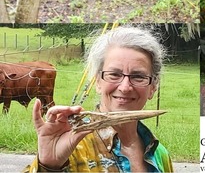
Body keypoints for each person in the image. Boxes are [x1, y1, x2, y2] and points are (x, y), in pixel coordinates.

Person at [26, 27, 173, 172]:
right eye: (114, 74)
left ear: (153, 87)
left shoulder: (159, 154)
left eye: (138, 77)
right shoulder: (72, 146)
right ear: (97, 81)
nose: (125, 87)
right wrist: (48, 165)